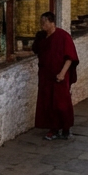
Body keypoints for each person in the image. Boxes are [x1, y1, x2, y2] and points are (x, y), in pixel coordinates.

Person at [33, 11, 79, 140]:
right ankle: (53, 129)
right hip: (45, 75)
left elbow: (70, 57)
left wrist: (63, 73)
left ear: (52, 22)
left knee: (61, 103)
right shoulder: (41, 37)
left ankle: (65, 128)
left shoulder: (63, 37)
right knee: (47, 102)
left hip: (59, 76)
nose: (42, 26)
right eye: (41, 23)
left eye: (44, 23)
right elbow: (36, 49)